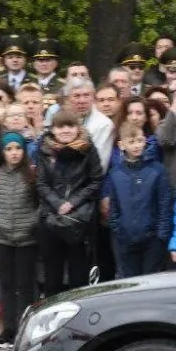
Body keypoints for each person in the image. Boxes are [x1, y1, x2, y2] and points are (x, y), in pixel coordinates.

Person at [0, 132, 40, 349]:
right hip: (1, 239)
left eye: (18, 148)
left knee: (25, 285)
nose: (14, 153)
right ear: (2, 152)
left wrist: (31, 222)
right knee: (7, 285)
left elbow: (42, 204)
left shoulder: (32, 173)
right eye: (9, 149)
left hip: (26, 239)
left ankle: (25, 329)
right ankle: (8, 329)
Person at [35, 110, 104, 295]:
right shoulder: (44, 149)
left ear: (78, 128)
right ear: (53, 130)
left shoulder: (88, 149)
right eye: (60, 126)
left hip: (78, 221)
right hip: (50, 218)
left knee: (78, 278)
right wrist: (58, 203)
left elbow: (96, 180)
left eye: (70, 126)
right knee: (52, 278)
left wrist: (72, 202)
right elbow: (41, 183)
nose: (66, 130)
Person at [102, 122, 173, 278]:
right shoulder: (116, 173)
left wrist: (161, 236)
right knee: (129, 283)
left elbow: (164, 204)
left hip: (152, 239)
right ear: (121, 145)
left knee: (151, 281)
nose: (136, 146)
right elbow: (114, 206)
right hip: (124, 239)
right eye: (131, 142)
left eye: (140, 140)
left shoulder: (157, 169)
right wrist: (117, 230)